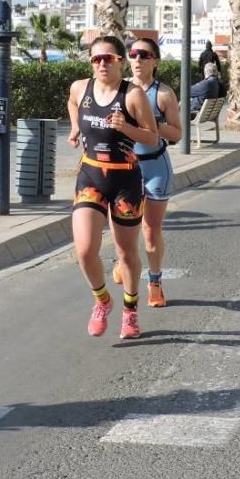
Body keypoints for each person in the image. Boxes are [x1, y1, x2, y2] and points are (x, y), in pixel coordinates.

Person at [67, 36, 158, 340]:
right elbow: (72, 103)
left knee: (126, 252)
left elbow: (151, 137)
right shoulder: (81, 88)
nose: (102, 64)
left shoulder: (132, 96)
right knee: (84, 249)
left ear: (120, 61)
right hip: (91, 176)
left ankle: (130, 312)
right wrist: (75, 126)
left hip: (125, 181)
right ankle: (102, 301)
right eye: (96, 59)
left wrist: (126, 128)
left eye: (108, 58)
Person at [110, 38, 183, 308]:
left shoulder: (163, 94)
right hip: (124, 167)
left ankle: (154, 281)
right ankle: (123, 260)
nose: (138, 59)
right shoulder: (120, 90)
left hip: (154, 167)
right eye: (133, 54)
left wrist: (151, 125)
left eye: (145, 55)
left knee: (150, 231)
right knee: (121, 230)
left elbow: (177, 134)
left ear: (156, 61)